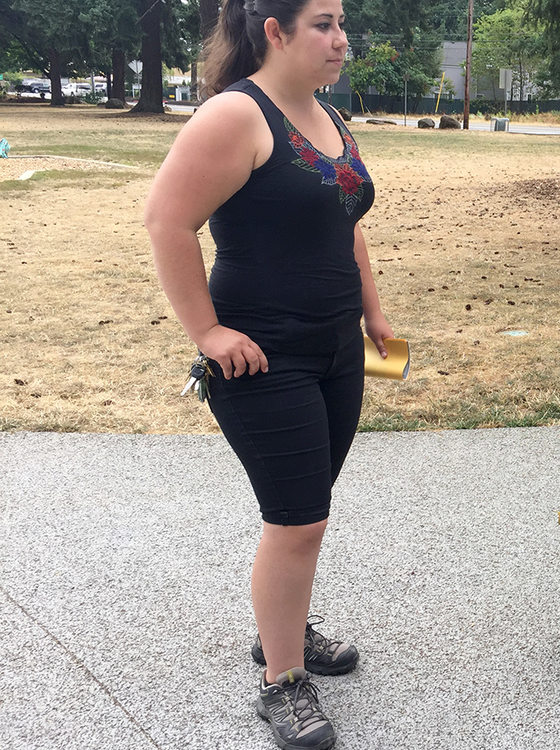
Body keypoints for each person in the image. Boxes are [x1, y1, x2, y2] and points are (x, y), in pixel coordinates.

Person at [144, 1, 391, 748]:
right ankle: (281, 682)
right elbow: (165, 221)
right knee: (298, 519)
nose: (341, 38)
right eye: (322, 23)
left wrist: (374, 314)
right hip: (262, 356)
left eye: (342, 22)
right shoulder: (236, 115)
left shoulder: (325, 115)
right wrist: (209, 331)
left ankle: (279, 629)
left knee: (307, 510)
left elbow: (344, 220)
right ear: (274, 31)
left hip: (336, 349)